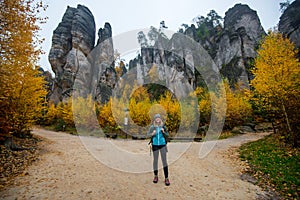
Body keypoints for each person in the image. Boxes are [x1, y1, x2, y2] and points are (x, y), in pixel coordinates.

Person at [147, 114, 170, 186]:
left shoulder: (163, 126)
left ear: (160, 119)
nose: (157, 119)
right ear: (154, 120)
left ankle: (166, 178)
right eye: (156, 118)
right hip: (155, 145)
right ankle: (155, 176)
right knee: (155, 161)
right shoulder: (152, 127)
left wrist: (164, 132)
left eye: (159, 118)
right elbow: (148, 135)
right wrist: (152, 133)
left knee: (164, 162)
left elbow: (167, 135)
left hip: (163, 145)